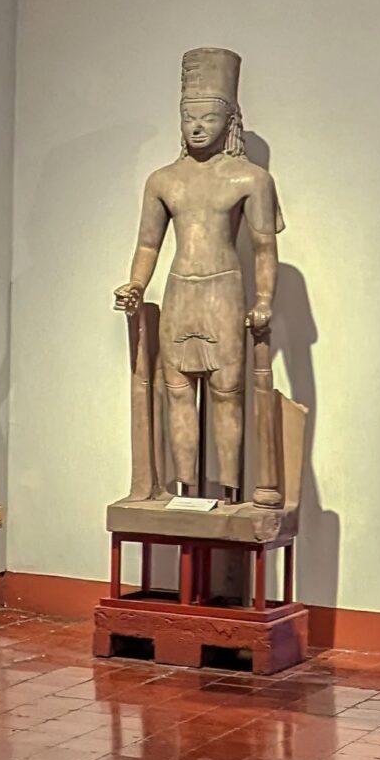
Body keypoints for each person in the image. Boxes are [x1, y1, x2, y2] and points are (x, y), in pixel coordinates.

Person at [115, 47, 280, 501]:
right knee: (177, 391)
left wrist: (264, 299)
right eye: (189, 117)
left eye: (207, 117)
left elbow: (265, 247)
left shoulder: (250, 179)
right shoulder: (162, 181)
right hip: (179, 291)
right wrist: (135, 285)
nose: (197, 126)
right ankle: (186, 491)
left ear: (229, 120)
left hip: (224, 288)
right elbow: (148, 244)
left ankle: (227, 493)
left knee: (228, 392)